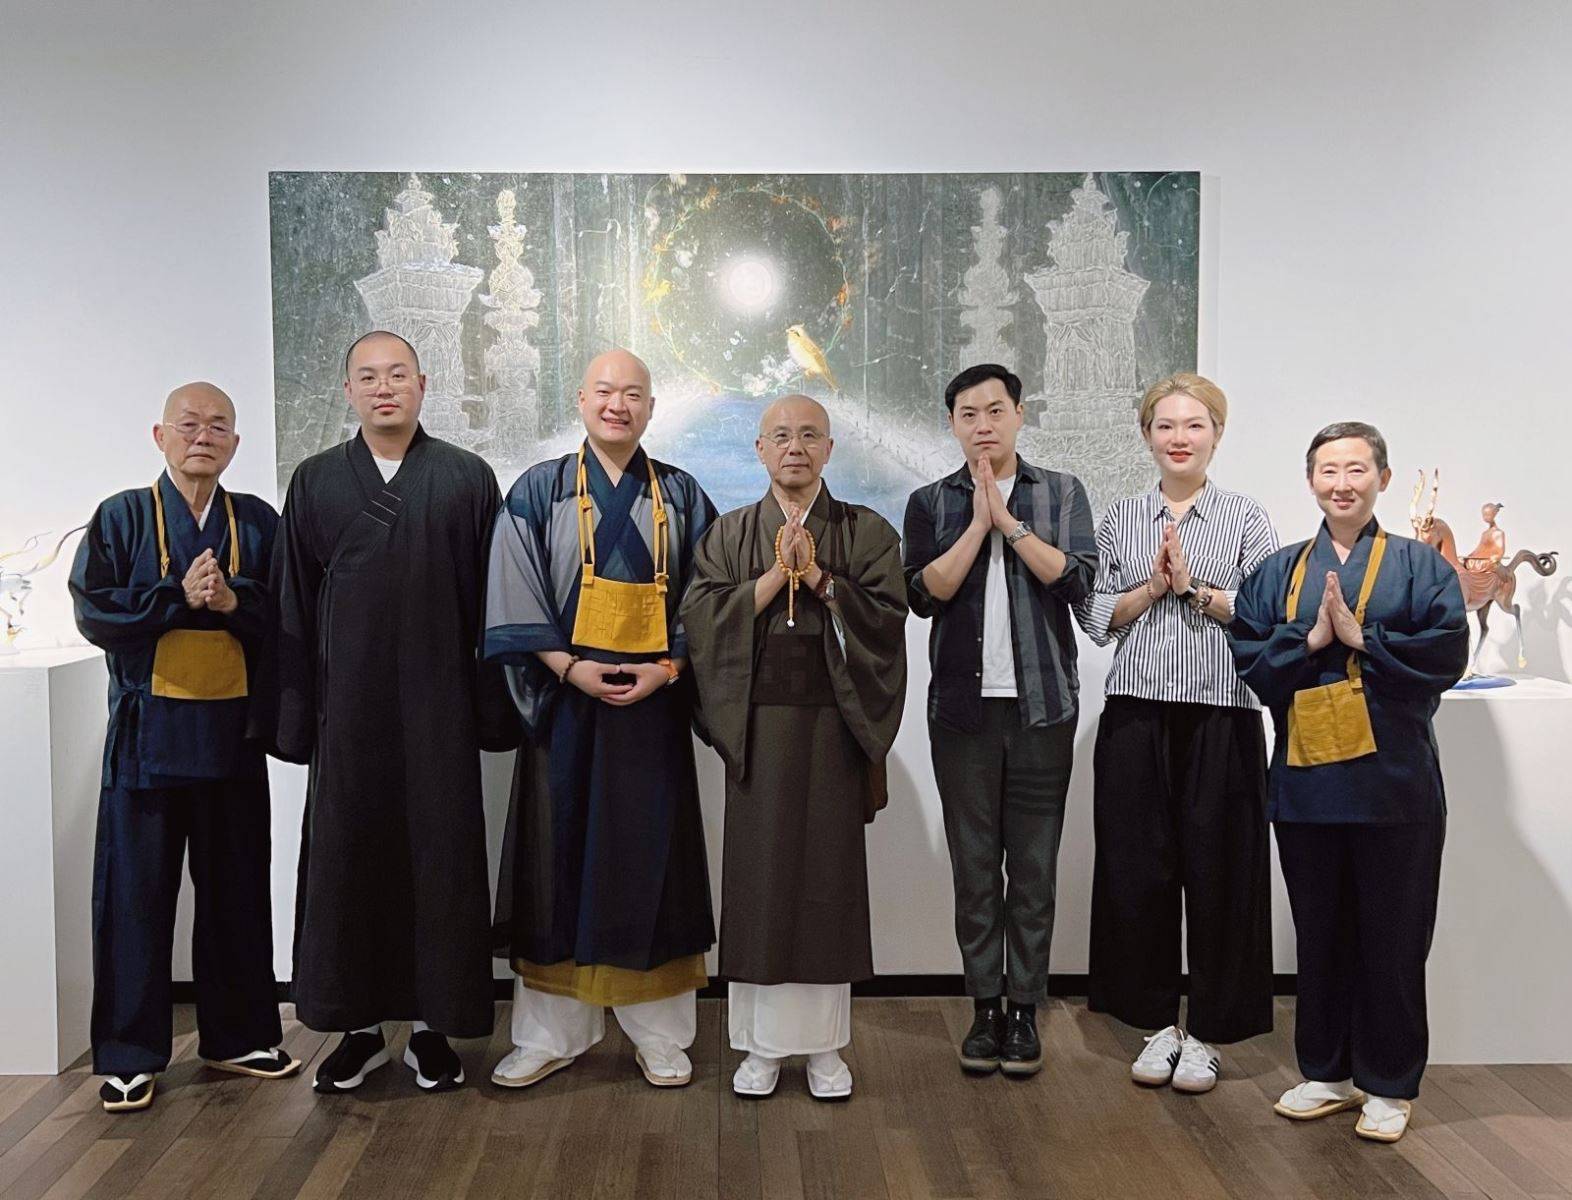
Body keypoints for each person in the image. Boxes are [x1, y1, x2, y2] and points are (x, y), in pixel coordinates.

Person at [269, 331, 517, 1094]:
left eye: (398, 375)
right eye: (369, 377)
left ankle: (435, 1029)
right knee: (349, 863)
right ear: (348, 390)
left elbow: (494, 605)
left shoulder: (466, 478)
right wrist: (299, 719)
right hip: (348, 714)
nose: (384, 388)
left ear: (422, 385)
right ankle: (358, 1030)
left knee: (440, 861)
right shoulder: (316, 481)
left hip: (439, 709)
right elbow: (291, 607)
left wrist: (491, 712)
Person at [483, 348, 717, 1090]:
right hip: (565, 705)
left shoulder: (681, 494)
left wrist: (669, 668)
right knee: (555, 863)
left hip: (654, 707)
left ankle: (662, 1036)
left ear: (651, 407)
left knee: (654, 863)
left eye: (634, 393)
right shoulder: (540, 489)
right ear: (581, 400)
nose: (619, 405)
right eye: (606, 392)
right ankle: (549, 1035)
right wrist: (565, 666)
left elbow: (709, 597)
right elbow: (513, 585)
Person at [1230, 422, 1467, 1143]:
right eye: (1328, 470)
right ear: (1311, 481)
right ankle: (1326, 1072)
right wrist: (1310, 640)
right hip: (1308, 782)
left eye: (1357, 469)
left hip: (1394, 781)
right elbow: (1248, 654)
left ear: (1383, 480)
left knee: (1394, 935)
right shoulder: (1279, 570)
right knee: (1321, 931)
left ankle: (1389, 1082)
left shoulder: (1422, 567)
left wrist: (1366, 640)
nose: (1342, 484)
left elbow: (1447, 651)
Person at [70, 382, 297, 1113]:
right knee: (133, 898)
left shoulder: (256, 520)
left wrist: (235, 600)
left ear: (235, 444)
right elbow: (95, 611)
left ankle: (240, 1037)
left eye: (218, 427)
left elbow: (290, 616)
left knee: (237, 889)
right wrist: (178, 597)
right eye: (189, 424)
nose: (204, 436)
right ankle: (129, 1054)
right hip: (146, 740)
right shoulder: (122, 516)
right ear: (160, 435)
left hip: (232, 737)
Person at [681, 394, 908, 1100]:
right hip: (759, 729)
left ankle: (824, 1049)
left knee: (826, 884)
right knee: (760, 882)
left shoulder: (867, 531)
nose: (795, 448)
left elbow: (887, 620)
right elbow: (699, 620)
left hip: (833, 729)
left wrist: (818, 579)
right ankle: (758, 1049)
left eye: (810, 435)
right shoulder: (729, 533)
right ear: (760, 449)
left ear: (829, 449)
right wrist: (773, 579)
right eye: (780, 436)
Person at [1073, 373, 1278, 1094]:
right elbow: (1097, 617)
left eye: (1195, 425)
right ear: (1147, 435)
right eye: (1165, 426)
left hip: (1224, 711)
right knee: (1138, 869)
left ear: (1216, 434)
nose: (1180, 438)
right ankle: (1155, 1022)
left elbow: (1264, 616)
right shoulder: (1122, 516)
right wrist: (1155, 587)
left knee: (1224, 871)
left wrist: (1192, 589)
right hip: (1136, 711)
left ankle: (1212, 1032)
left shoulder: (1246, 516)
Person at [901, 363, 1097, 1076]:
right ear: (953, 424)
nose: (982, 425)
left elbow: (1076, 580)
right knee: (976, 867)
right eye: (967, 414)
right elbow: (923, 594)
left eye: (994, 410)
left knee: (1035, 870)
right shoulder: (930, 502)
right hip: (962, 715)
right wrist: (976, 525)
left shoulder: (1061, 492)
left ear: (1019, 414)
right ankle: (984, 1007)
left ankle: (1025, 1010)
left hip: (1043, 710)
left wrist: (1008, 525)